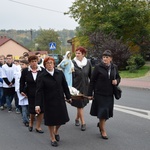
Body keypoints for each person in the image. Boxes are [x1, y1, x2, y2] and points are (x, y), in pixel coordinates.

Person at [35, 56, 71, 147]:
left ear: (54, 64)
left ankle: (56, 131)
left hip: (59, 100)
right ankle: (52, 138)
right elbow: (38, 91)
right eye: (47, 63)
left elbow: (65, 85)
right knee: (51, 121)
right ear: (45, 65)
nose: (49, 64)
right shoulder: (42, 76)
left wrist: (68, 96)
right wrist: (37, 104)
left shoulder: (59, 73)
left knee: (61, 119)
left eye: (51, 63)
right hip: (48, 101)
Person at [88, 50, 121, 140]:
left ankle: (101, 124)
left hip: (109, 94)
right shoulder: (98, 67)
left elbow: (118, 77)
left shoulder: (114, 67)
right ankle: (103, 130)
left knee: (107, 113)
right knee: (103, 112)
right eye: (104, 57)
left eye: (107, 57)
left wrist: (116, 81)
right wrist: (90, 93)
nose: (105, 59)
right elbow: (92, 81)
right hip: (100, 94)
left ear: (111, 58)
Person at [20, 55, 45, 133]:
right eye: (32, 61)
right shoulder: (25, 71)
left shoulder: (42, 70)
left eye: (35, 61)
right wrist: (21, 91)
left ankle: (38, 126)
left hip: (41, 93)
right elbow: (22, 82)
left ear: (37, 61)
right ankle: (31, 123)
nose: (34, 63)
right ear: (29, 62)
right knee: (32, 110)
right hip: (30, 92)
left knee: (41, 110)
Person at [71, 46, 92, 131]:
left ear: (83, 54)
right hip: (76, 87)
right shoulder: (72, 63)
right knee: (80, 105)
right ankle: (83, 122)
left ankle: (77, 118)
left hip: (85, 87)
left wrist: (92, 87)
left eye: (79, 53)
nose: (77, 55)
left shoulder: (88, 63)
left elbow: (91, 76)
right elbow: (70, 77)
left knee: (82, 104)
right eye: (76, 53)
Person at [15, 59, 29, 127]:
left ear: (27, 65)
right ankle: (25, 120)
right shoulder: (18, 73)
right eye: (21, 64)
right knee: (23, 107)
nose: (21, 66)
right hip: (21, 93)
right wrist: (21, 92)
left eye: (23, 64)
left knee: (28, 107)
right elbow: (17, 84)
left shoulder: (29, 72)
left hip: (28, 93)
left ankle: (28, 117)